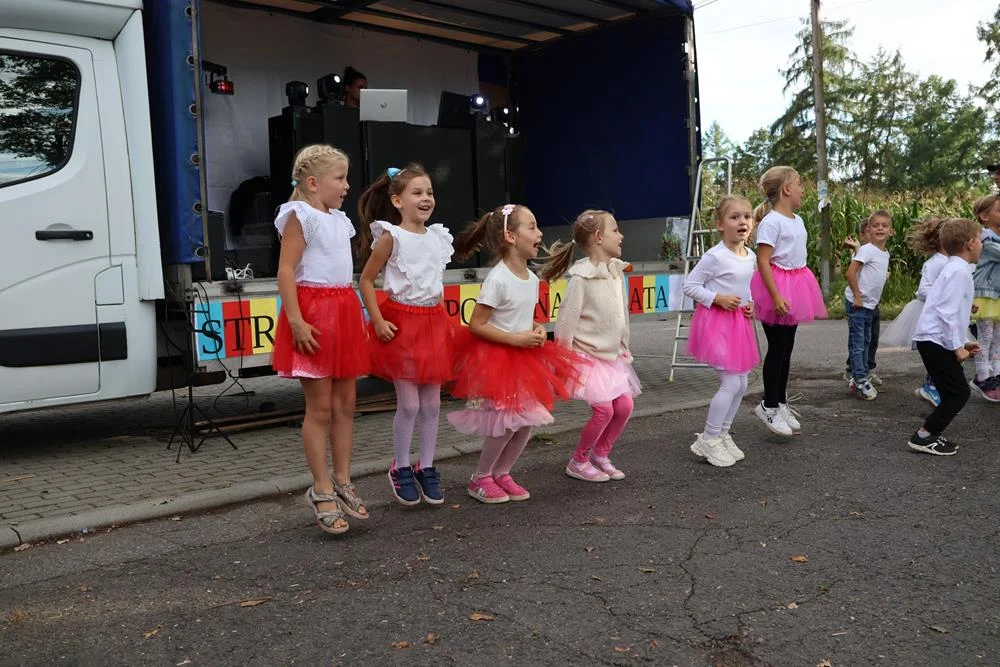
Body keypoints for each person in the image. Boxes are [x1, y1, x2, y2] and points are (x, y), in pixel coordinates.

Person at [447, 204, 579, 503]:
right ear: (510, 235)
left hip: (525, 359)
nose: (539, 233)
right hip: (499, 361)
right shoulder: (498, 279)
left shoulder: (531, 279)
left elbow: (524, 316)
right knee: (505, 422)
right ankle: (480, 477)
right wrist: (513, 339)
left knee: (527, 421)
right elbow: (477, 325)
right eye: (531, 227)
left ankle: (503, 472)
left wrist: (534, 328)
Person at [272, 144, 370, 535]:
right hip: (314, 313)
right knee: (321, 409)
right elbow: (285, 270)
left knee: (347, 403)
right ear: (313, 183)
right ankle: (321, 487)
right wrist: (295, 320)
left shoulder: (340, 220)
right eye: (340, 178)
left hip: (343, 309)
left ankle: (343, 478)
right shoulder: (300, 215)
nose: (347, 186)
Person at [357, 165, 457, 506]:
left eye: (429, 192)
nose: (426, 198)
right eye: (417, 193)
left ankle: (426, 465)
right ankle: (400, 466)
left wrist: (441, 318)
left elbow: (434, 283)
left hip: (432, 323)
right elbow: (367, 280)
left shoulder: (439, 237)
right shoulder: (391, 237)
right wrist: (378, 318)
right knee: (410, 403)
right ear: (397, 200)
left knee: (433, 402)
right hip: (402, 325)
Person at [538, 210, 640, 482]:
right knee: (604, 409)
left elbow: (621, 315)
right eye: (615, 230)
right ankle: (578, 460)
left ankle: (600, 454)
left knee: (625, 407)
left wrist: (623, 345)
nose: (621, 235)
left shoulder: (616, 272)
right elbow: (566, 322)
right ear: (598, 237)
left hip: (611, 356)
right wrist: (562, 361)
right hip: (586, 357)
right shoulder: (581, 278)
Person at [749, 166, 827, 436]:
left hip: (796, 284)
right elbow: (763, 260)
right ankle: (768, 406)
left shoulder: (798, 219)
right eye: (799, 184)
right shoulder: (772, 222)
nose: (803, 189)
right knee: (777, 348)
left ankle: (780, 401)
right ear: (786, 190)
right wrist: (776, 295)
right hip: (777, 288)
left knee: (787, 348)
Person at [682, 195, 759, 467]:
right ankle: (709, 438)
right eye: (734, 217)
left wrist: (750, 304)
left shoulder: (749, 256)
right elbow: (690, 286)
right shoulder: (714, 256)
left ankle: (722, 433)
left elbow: (746, 286)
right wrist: (717, 298)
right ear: (720, 224)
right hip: (716, 324)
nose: (742, 222)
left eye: (747, 217)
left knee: (741, 383)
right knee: (730, 383)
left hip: (738, 324)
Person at [908, 218, 982, 456]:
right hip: (935, 341)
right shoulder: (958, 272)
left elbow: (947, 309)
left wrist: (961, 342)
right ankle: (924, 436)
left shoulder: (955, 269)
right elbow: (946, 314)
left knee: (952, 392)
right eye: (979, 239)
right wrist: (957, 348)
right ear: (970, 243)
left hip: (935, 340)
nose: (981, 244)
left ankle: (930, 434)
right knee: (958, 393)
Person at [881, 215, 948, 407]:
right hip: (931, 313)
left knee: (948, 351)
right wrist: (944, 297)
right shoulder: (934, 263)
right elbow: (923, 289)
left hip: (943, 313)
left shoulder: (952, 261)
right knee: (940, 352)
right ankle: (931, 386)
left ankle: (934, 384)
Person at [843, 211, 892, 400]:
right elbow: (850, 273)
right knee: (858, 343)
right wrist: (857, 296)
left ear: (891, 231)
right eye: (875, 225)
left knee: (866, 341)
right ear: (868, 231)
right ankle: (860, 379)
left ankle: (861, 375)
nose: (880, 228)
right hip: (858, 304)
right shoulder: (867, 250)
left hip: (869, 305)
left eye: (884, 225)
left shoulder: (883, 253)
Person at [971, 194, 1000, 401]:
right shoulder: (986, 238)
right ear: (984, 216)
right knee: (986, 337)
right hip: (985, 294)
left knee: (998, 339)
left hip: (997, 294)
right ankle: (982, 377)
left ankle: (996, 374)